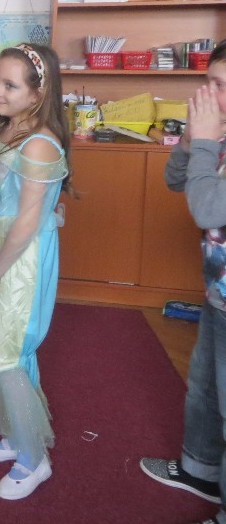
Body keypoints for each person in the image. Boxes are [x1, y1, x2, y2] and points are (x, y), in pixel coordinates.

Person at [0, 43, 71, 501]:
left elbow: (27, 220)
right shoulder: (8, 130)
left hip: (22, 261)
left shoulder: (41, 144)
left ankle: (34, 457)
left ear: (37, 93)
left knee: (9, 353)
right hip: (0, 252)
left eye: (10, 85)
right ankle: (14, 432)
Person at [140, 41, 226, 524]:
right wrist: (193, 141)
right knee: (206, 390)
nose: (208, 94)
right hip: (218, 293)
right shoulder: (220, 134)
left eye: (221, 86)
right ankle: (200, 471)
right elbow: (179, 181)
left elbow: (208, 209)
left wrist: (207, 143)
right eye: (208, 82)